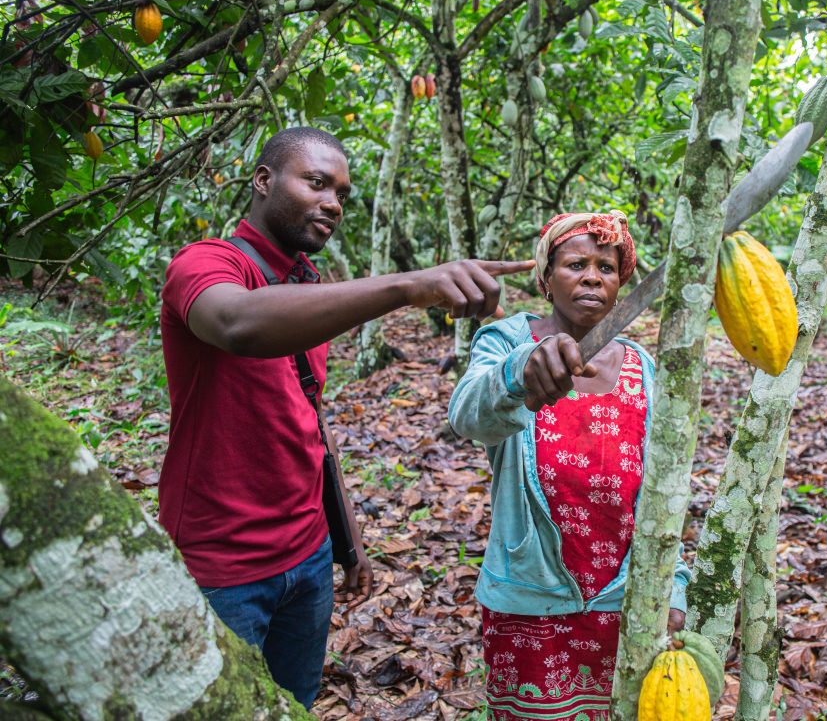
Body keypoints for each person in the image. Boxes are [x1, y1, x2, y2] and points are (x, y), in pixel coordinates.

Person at [159, 127, 533, 708]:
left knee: (297, 702)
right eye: (316, 183)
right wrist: (410, 285)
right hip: (221, 565)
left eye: (341, 193)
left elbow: (308, 417)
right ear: (262, 181)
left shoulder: (309, 284)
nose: (333, 203)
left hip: (306, 555)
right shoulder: (207, 262)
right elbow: (236, 323)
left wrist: (346, 539)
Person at [448, 210, 690, 721]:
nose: (592, 277)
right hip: (530, 594)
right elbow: (468, 415)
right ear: (545, 277)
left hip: (622, 596)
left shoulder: (641, 364)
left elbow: (662, 485)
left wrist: (675, 583)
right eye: (575, 263)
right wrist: (520, 372)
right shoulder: (506, 343)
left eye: (606, 266)